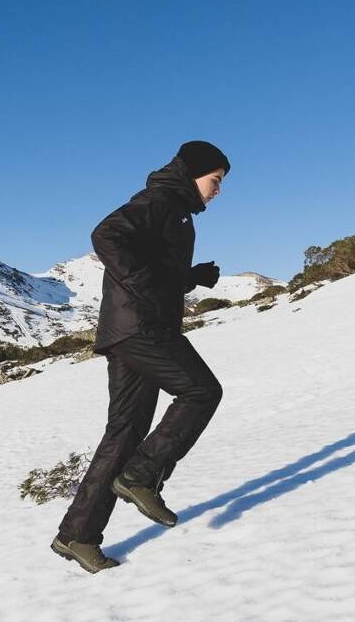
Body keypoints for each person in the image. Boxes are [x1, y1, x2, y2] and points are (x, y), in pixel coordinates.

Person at [51, 141, 230, 574]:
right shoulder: (162, 200)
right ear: (194, 174)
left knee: (125, 433)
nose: (218, 191)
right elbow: (107, 235)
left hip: (128, 329)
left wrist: (189, 278)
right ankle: (141, 476)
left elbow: (152, 268)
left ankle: (77, 535)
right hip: (141, 328)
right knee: (202, 391)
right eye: (216, 180)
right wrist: (150, 286)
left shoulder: (175, 208)